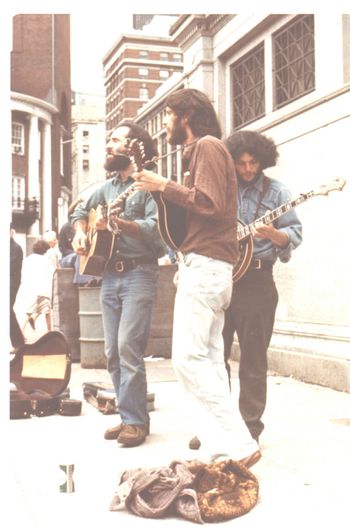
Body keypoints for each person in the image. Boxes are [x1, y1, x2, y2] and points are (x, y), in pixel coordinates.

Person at [133, 88, 260, 466]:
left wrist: (162, 186)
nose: (167, 124)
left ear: (186, 115)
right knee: (207, 358)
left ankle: (239, 444)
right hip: (208, 268)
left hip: (205, 267)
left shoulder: (206, 145)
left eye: (169, 115)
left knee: (187, 359)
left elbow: (208, 202)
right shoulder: (206, 150)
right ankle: (219, 447)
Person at [71, 121, 166, 447]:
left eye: (115, 140)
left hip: (140, 272)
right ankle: (130, 418)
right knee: (112, 352)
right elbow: (78, 211)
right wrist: (82, 230)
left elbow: (158, 230)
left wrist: (120, 224)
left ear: (133, 147)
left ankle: (136, 422)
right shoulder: (107, 187)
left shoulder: (148, 186)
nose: (108, 145)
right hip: (109, 273)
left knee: (128, 347)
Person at [221, 130, 303, 443]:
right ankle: (218, 423)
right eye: (240, 163)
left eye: (253, 162)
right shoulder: (224, 189)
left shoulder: (278, 192)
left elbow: (293, 234)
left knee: (253, 358)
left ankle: (249, 429)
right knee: (216, 356)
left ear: (263, 160)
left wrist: (273, 235)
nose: (247, 169)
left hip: (257, 280)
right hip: (222, 279)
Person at [15, 239, 55, 334]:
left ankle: (21, 332)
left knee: (29, 312)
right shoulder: (45, 260)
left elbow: (22, 273)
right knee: (47, 311)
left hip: (30, 290)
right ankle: (50, 332)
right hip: (43, 289)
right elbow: (52, 273)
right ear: (45, 250)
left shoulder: (27, 259)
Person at [10, 225, 24, 350]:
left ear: (11, 232)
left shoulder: (15, 248)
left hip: (11, 284)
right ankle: (19, 342)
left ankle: (19, 343)